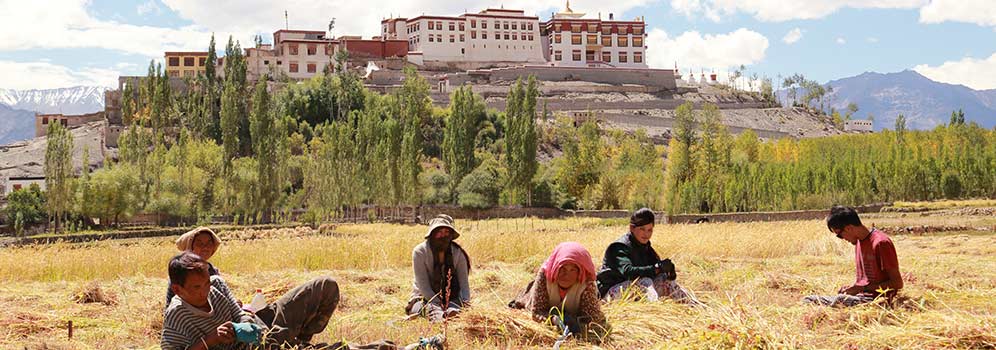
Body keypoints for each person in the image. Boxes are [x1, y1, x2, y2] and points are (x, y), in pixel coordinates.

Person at [803, 205, 903, 307]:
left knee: (840, 300)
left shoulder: (881, 243)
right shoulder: (858, 242)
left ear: (849, 228)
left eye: (839, 235)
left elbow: (897, 283)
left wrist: (862, 288)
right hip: (859, 297)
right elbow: (865, 281)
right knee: (809, 299)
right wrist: (852, 288)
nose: (841, 238)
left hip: (876, 300)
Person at [596, 208, 699, 304]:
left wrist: (669, 271)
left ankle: (694, 307)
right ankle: (655, 312)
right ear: (632, 228)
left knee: (663, 279)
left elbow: (656, 271)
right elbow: (628, 272)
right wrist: (656, 268)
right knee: (645, 282)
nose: (646, 234)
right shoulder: (619, 247)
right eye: (642, 229)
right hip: (609, 295)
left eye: (650, 230)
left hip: (631, 293)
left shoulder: (645, 247)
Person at [509, 242, 608, 339]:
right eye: (562, 269)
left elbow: (592, 318)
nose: (566, 275)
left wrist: (577, 323)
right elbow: (537, 312)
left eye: (572, 270)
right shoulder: (545, 275)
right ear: (556, 267)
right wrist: (554, 319)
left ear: (579, 272)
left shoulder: (586, 283)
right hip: (540, 303)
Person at [406, 214, 471, 322]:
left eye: (446, 233)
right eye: (439, 232)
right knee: (426, 308)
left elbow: (464, 283)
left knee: (455, 307)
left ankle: (452, 313)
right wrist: (439, 304)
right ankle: (440, 317)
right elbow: (423, 285)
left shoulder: (458, 253)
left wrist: (466, 302)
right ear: (432, 234)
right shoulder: (420, 252)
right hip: (425, 298)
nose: (443, 236)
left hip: (452, 297)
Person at [165, 227, 222, 307]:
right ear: (190, 247)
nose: (205, 247)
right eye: (199, 244)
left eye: (209, 243)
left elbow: (220, 298)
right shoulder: (181, 272)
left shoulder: (213, 271)